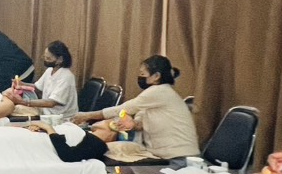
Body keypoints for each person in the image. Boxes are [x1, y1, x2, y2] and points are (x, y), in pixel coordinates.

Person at [72, 55, 200, 160]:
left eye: (143, 74)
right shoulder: (155, 94)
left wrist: (87, 115)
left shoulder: (160, 91)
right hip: (162, 153)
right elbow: (141, 122)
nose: (140, 77)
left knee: (103, 151)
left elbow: (123, 109)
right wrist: (132, 124)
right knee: (106, 150)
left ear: (156, 76)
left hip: (179, 157)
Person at [29, 41, 79, 118]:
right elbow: (37, 87)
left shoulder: (67, 77)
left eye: (48, 58)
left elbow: (51, 103)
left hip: (61, 118)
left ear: (60, 59)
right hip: (46, 113)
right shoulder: (49, 71)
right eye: (45, 57)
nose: (45, 60)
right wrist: (21, 84)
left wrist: (25, 102)